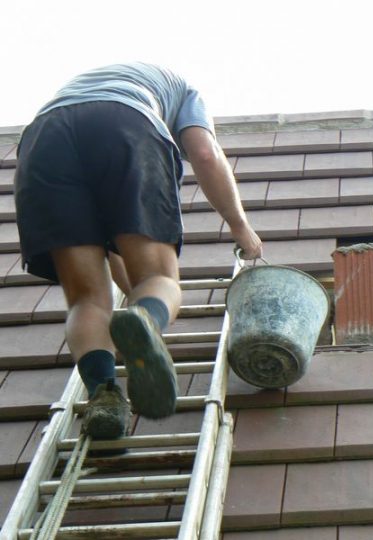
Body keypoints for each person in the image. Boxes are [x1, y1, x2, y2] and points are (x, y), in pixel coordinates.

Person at [13, 62, 262, 440]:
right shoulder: (184, 90)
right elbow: (205, 154)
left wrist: (133, 291)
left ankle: (104, 397)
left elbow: (110, 242)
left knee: (87, 300)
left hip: (43, 141)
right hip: (125, 123)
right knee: (160, 280)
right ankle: (147, 319)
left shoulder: (83, 86)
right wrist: (241, 227)